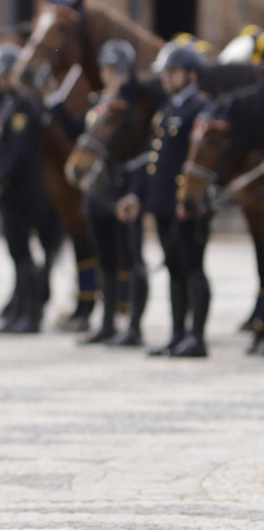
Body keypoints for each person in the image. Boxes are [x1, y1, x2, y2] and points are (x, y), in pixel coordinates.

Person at [123, 41, 212, 358]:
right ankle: (177, 334)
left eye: (172, 72)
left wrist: (189, 200)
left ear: (191, 75)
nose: (166, 78)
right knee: (174, 269)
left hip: (187, 205)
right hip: (162, 204)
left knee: (192, 268)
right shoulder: (168, 110)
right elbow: (152, 159)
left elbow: (202, 161)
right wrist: (137, 193)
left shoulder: (201, 109)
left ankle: (197, 337)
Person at [80, 39, 148, 347]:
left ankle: (133, 326)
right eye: (107, 69)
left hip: (125, 190)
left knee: (132, 258)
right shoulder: (99, 103)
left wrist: (134, 193)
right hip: (99, 190)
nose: (110, 75)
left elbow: (141, 153)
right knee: (104, 258)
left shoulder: (137, 107)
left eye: (116, 69)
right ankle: (106, 322)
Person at [0, 59, 48, 334]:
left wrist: (0, 180)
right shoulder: (10, 105)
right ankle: (19, 312)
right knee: (17, 253)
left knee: (23, 254)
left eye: (1, 77)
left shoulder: (25, 106)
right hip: (10, 192)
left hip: (21, 191)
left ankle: (31, 316)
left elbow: (20, 152)